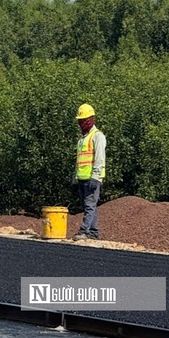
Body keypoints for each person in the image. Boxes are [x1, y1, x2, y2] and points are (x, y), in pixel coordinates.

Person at [72, 103, 106, 241]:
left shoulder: (97, 136)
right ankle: (93, 232)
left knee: (89, 205)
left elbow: (99, 158)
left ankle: (84, 231)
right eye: (80, 120)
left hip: (92, 178)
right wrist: (75, 178)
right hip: (82, 177)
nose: (81, 123)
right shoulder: (82, 139)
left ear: (91, 119)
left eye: (84, 120)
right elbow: (79, 160)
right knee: (89, 206)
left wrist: (95, 177)